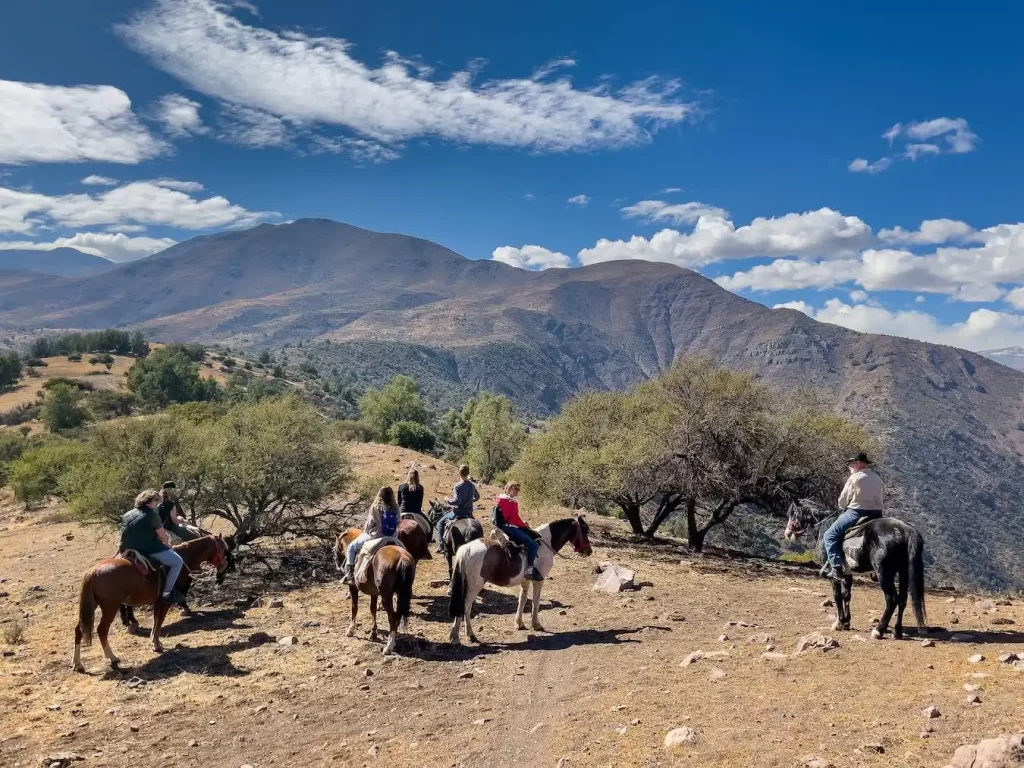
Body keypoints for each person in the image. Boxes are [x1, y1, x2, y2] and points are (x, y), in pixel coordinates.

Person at [822, 453, 884, 581]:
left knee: (829, 535)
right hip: (877, 514)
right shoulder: (877, 478)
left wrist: (842, 505)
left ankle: (836, 568)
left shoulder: (855, 478)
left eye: (851, 464)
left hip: (856, 513)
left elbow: (843, 500)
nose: (850, 467)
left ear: (857, 463)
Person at [119, 489, 187, 605]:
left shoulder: (127, 514)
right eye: (156, 501)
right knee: (177, 561)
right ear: (149, 500)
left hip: (127, 548)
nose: (157, 504)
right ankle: (167, 592)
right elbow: (163, 536)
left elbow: (123, 534)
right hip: (148, 548)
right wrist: (168, 545)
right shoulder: (152, 515)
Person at [342, 486, 400, 584]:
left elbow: (368, 525)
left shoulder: (375, 506)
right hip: (393, 536)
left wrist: (367, 531)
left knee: (351, 547)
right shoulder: (395, 507)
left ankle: (350, 575)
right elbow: (398, 521)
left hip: (375, 536)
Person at [492, 482, 543, 581]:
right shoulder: (509, 501)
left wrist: (521, 522)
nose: (517, 491)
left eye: (518, 489)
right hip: (510, 527)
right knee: (534, 545)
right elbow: (513, 518)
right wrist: (523, 524)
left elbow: (512, 517)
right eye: (515, 489)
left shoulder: (504, 500)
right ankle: (529, 570)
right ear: (509, 488)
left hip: (507, 525)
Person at [434, 464, 479, 553]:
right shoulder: (472, 485)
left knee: (440, 523)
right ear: (468, 473)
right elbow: (477, 497)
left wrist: (447, 499)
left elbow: (457, 501)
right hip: (469, 513)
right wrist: (470, 501)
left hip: (458, 513)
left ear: (459, 473)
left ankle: (441, 546)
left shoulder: (457, 486)